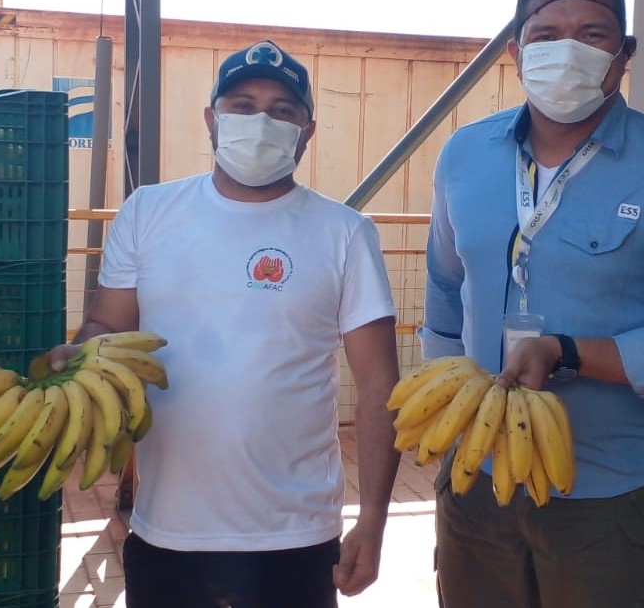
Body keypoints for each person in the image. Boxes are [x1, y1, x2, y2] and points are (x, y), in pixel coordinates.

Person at [419, 0, 644, 608]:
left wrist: (567, 351)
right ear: (515, 52)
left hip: (611, 497)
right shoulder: (464, 156)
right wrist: (451, 429)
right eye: (546, 35)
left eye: (592, 35)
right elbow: (442, 306)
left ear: (623, 54)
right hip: (476, 484)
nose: (566, 50)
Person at [50, 39, 401, 607]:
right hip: (167, 528)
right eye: (242, 104)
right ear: (212, 119)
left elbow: (380, 385)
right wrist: (76, 357)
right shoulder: (148, 212)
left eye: (282, 110)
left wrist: (374, 521)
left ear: (306, 131)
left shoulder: (345, 233)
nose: (261, 121)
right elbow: (106, 327)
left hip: (296, 534)